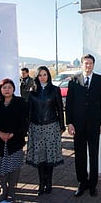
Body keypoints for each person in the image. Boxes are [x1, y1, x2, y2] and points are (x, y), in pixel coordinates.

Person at [66, 54, 101, 197]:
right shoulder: (74, 80)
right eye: (85, 63)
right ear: (82, 65)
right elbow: (70, 103)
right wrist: (69, 123)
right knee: (79, 154)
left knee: (93, 154)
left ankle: (93, 184)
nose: (88, 66)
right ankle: (82, 182)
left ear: (93, 65)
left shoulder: (100, 80)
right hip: (77, 125)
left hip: (94, 124)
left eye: (90, 63)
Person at [0, 79, 28, 202]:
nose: (7, 90)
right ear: (0, 89)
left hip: (14, 140)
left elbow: (24, 121)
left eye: (9, 87)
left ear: (14, 89)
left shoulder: (20, 102)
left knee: (14, 165)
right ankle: (2, 188)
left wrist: (13, 133)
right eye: (4, 87)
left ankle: (12, 188)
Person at [26, 66, 65, 195]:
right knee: (40, 157)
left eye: (45, 74)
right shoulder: (32, 92)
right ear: (37, 77)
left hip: (51, 126)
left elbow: (60, 108)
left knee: (50, 156)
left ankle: (49, 183)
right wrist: (27, 127)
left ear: (48, 75)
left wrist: (62, 125)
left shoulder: (54, 90)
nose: (43, 77)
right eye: (40, 75)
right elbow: (29, 111)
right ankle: (41, 183)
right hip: (36, 127)